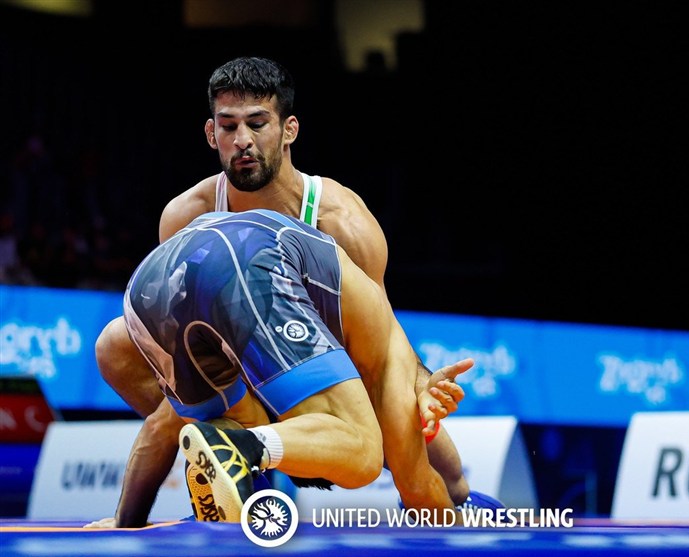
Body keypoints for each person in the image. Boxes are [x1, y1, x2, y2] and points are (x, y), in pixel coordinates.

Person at [93, 56, 498, 512]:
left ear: (289, 130)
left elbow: (379, 335)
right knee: (115, 346)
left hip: (325, 357)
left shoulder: (341, 220)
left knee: (440, 471)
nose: (242, 140)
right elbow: (180, 330)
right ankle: (241, 471)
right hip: (234, 363)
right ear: (211, 133)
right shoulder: (186, 214)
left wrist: (421, 384)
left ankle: (457, 496)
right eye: (228, 126)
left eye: (257, 124)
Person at [97, 209, 473, 527]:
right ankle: (245, 445)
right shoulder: (387, 368)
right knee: (363, 454)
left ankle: (242, 443)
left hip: (149, 283)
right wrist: (465, 535)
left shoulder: (277, 358)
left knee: (221, 432)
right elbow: (420, 490)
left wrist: (125, 524)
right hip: (247, 261)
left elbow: (158, 429)